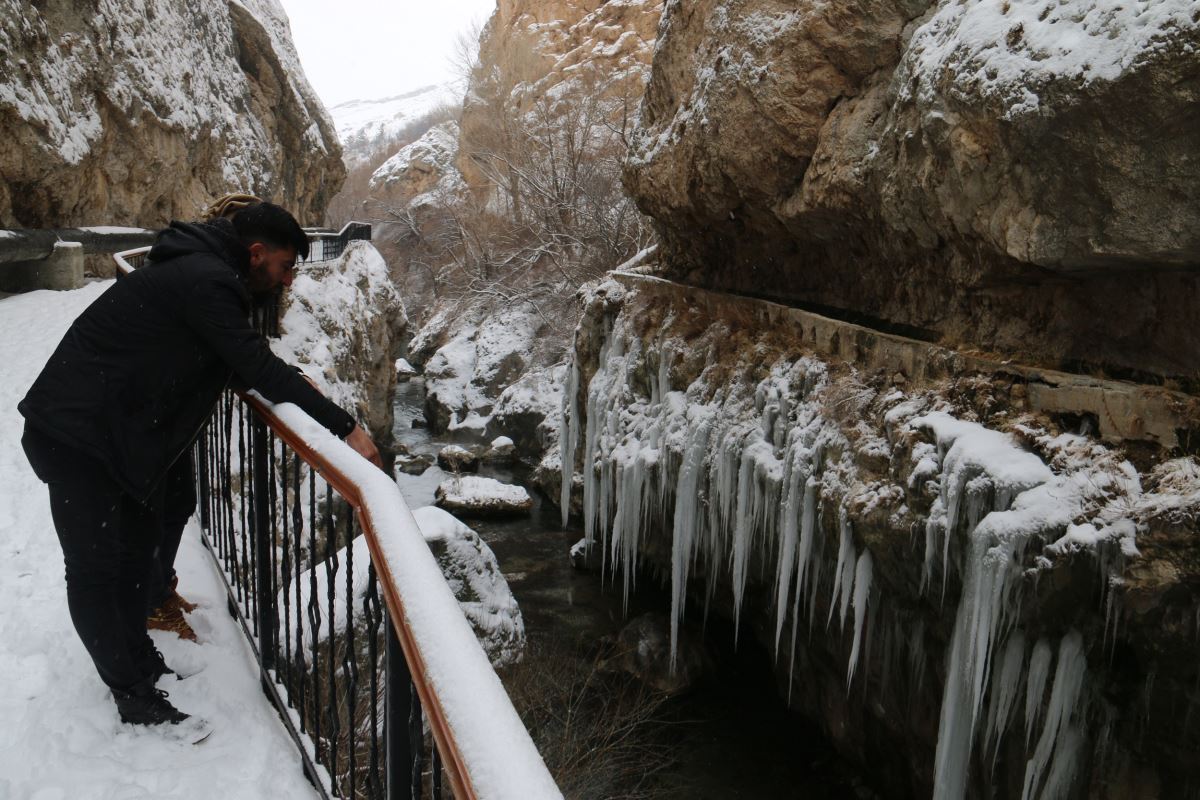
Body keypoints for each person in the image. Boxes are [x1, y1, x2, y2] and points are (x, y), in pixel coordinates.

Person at [19, 201, 381, 733]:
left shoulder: (203, 271)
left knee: (137, 551)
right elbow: (251, 361)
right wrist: (345, 426)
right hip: (78, 433)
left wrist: (291, 378)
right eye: (284, 268)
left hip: (118, 434)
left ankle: (138, 659)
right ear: (256, 253)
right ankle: (131, 691)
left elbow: (227, 355)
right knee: (97, 570)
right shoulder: (208, 279)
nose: (285, 282)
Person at [144, 193, 266, 643]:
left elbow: (233, 348)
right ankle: (149, 603)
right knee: (156, 508)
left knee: (177, 504)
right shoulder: (202, 274)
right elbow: (231, 346)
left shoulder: (200, 266)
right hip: (155, 410)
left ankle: (158, 589)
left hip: (171, 410)